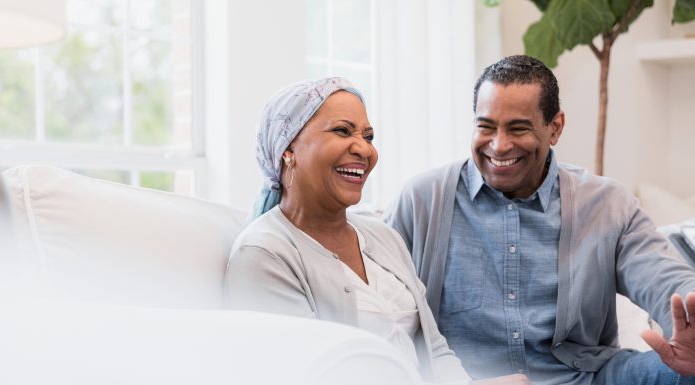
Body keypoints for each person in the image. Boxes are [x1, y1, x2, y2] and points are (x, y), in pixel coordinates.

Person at [384, 54, 695, 385]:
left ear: (555, 127)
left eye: (518, 128)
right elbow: (372, 295)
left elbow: (664, 279)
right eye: (485, 126)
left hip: (583, 377)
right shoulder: (422, 200)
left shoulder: (606, 204)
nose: (499, 145)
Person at [224, 77, 529, 385]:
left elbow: (436, 352)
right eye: (342, 131)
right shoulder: (263, 255)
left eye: (368, 136)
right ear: (287, 150)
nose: (363, 149)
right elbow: (310, 376)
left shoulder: (384, 237)